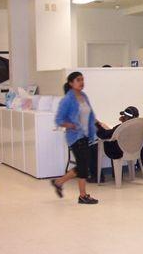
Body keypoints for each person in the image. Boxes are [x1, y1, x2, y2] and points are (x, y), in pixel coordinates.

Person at [50, 72, 99, 204]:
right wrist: (71, 125)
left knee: (84, 165)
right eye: (78, 80)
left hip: (86, 135)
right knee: (83, 167)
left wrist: (95, 126)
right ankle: (82, 196)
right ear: (71, 83)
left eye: (82, 79)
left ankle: (59, 182)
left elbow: (90, 114)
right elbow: (58, 119)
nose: (81, 82)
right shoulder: (67, 100)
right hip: (75, 136)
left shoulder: (84, 96)